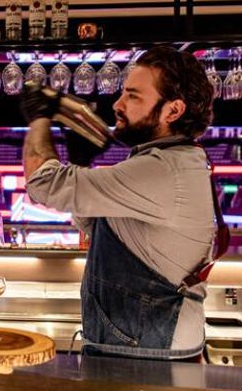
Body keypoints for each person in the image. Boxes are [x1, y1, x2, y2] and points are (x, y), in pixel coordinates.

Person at [20, 45, 225, 360]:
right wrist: (80, 162)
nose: (118, 104)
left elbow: (43, 184)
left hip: (147, 355)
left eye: (133, 96)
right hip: (138, 347)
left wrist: (38, 119)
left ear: (173, 110)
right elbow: (96, 226)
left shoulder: (162, 169)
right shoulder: (173, 160)